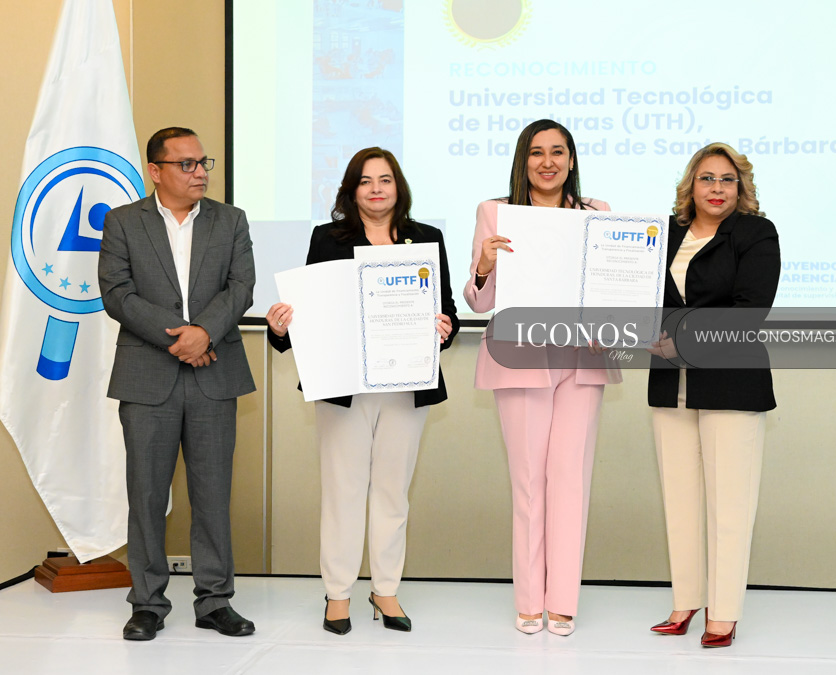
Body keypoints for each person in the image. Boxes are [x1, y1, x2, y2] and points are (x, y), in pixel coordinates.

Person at [267, 147, 458, 635]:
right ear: (351, 191)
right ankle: (338, 593)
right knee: (343, 491)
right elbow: (307, 312)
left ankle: (385, 590)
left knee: (393, 492)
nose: (376, 189)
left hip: (406, 385)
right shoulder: (328, 238)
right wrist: (281, 327)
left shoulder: (427, 239)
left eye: (385, 179)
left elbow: (448, 312)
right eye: (366, 181)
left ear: (399, 187)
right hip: (343, 385)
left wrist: (444, 328)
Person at [463, 119, 621, 636]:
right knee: (529, 482)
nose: (547, 162)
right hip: (520, 355)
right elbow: (479, 301)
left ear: (571, 160)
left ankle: (563, 601)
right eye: (536, 152)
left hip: (582, 356)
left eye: (557, 152)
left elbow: (610, 290)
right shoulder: (495, 212)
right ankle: (530, 600)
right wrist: (483, 266)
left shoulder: (597, 213)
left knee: (570, 479)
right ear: (523, 160)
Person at [99, 127, 256, 641]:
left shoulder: (230, 220)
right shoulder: (123, 222)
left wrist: (204, 331)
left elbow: (241, 287)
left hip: (215, 372)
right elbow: (117, 294)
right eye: (186, 164)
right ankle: (147, 603)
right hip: (148, 376)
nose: (199, 172)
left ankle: (215, 601)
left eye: (203, 162)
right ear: (156, 170)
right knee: (145, 495)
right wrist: (181, 338)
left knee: (213, 495)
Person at [647, 142, 779, 647]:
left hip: (731, 383)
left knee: (730, 504)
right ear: (691, 185)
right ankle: (686, 601)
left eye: (727, 179)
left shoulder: (755, 233)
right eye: (707, 178)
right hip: (671, 383)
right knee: (679, 501)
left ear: (741, 187)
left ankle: (722, 612)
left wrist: (683, 338)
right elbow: (642, 297)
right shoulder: (665, 234)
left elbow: (750, 310)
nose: (717, 188)